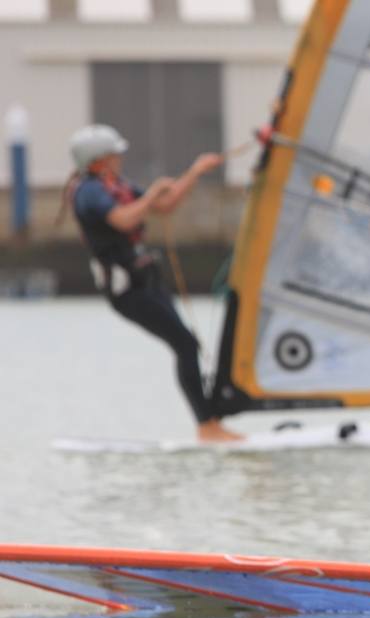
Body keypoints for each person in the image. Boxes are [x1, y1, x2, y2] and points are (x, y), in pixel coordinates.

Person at [66, 124, 241, 442]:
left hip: (148, 282)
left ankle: (211, 422)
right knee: (185, 345)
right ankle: (207, 426)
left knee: (188, 344)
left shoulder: (114, 184)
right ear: (97, 160)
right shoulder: (89, 192)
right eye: (113, 154)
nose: (120, 158)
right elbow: (123, 219)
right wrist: (151, 197)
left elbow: (164, 204)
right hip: (128, 292)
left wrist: (195, 172)